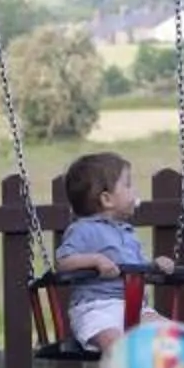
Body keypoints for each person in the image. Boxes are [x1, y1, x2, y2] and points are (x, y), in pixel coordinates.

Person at [54, 151, 160, 354]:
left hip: (135, 306)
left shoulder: (127, 233)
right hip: (97, 308)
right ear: (107, 199)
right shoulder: (83, 229)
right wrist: (95, 260)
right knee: (116, 346)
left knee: (166, 334)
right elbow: (63, 262)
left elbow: (141, 269)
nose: (134, 190)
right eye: (128, 184)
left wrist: (157, 265)